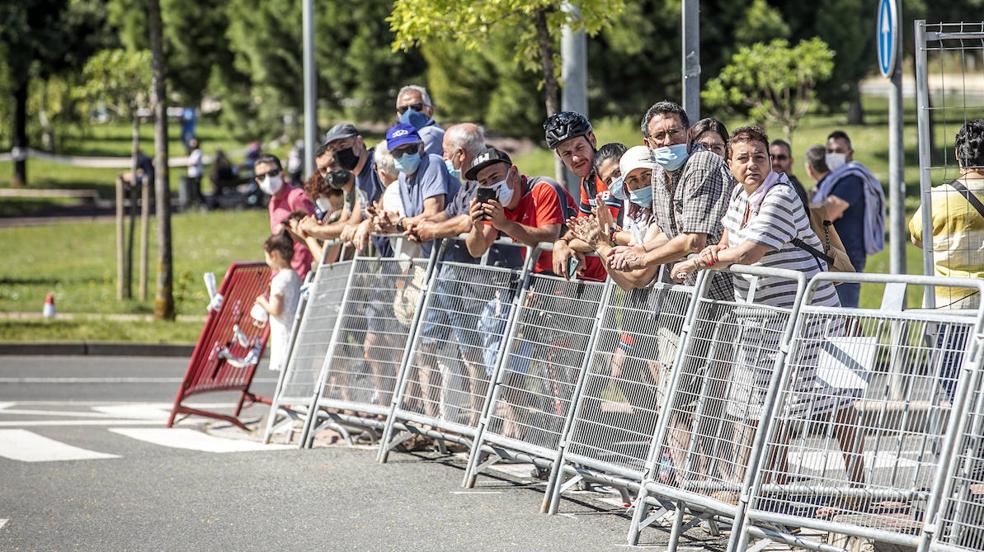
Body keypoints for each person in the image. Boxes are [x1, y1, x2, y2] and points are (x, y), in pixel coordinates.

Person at [669, 126, 863, 510]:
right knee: (763, 407)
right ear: (730, 164)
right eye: (743, 158)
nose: (753, 164)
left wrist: (695, 261)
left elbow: (747, 253)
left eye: (760, 156)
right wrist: (708, 256)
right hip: (765, 320)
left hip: (817, 314)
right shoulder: (739, 196)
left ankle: (860, 489)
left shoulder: (780, 194)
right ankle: (770, 493)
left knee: (838, 403)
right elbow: (726, 244)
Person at [606, 100, 733, 300]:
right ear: (647, 143)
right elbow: (673, 232)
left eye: (674, 133)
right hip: (699, 292)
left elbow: (693, 240)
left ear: (689, 133)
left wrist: (643, 259)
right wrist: (641, 248)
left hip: (733, 288)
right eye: (659, 136)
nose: (668, 141)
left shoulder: (702, 163)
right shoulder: (657, 171)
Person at [910, 120, 984, 399]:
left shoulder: (938, 198)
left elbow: (917, 237)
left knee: (953, 377)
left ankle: (964, 435)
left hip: (949, 302)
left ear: (957, 155)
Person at [812, 130, 886, 307]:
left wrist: (819, 209)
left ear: (850, 153)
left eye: (839, 151)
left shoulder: (851, 179)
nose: (833, 155)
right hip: (828, 257)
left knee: (844, 315)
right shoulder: (831, 180)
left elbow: (825, 215)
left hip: (845, 259)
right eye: (830, 151)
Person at [545, 111, 621, 281]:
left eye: (579, 147)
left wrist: (571, 245)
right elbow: (579, 227)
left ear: (592, 139)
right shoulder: (587, 181)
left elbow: (604, 234)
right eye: (566, 153)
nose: (575, 157)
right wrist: (561, 242)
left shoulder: (606, 174)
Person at [255, 154, 315, 278]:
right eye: (262, 176)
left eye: (272, 173)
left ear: (282, 173)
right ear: (257, 181)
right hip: (282, 272)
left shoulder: (296, 197)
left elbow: (313, 237)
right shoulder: (272, 202)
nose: (268, 179)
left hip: (301, 273)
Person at [254, 231, 301, 373]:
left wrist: (262, 302)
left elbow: (276, 309)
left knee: (285, 372)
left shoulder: (279, 280)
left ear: (273, 255)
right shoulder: (294, 276)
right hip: (294, 328)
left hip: (283, 332)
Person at [396, 85, 444, 156]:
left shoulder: (430, 134)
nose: (409, 113)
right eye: (403, 109)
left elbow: (405, 163)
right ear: (398, 114)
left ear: (430, 111)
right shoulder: (401, 135)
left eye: (416, 107)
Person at [186, 136, 205, 206]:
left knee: (197, 191)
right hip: (192, 174)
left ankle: (202, 204)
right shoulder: (192, 152)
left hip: (197, 174)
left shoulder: (198, 152)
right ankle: (196, 204)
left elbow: (194, 162)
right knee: (193, 190)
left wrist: (187, 162)